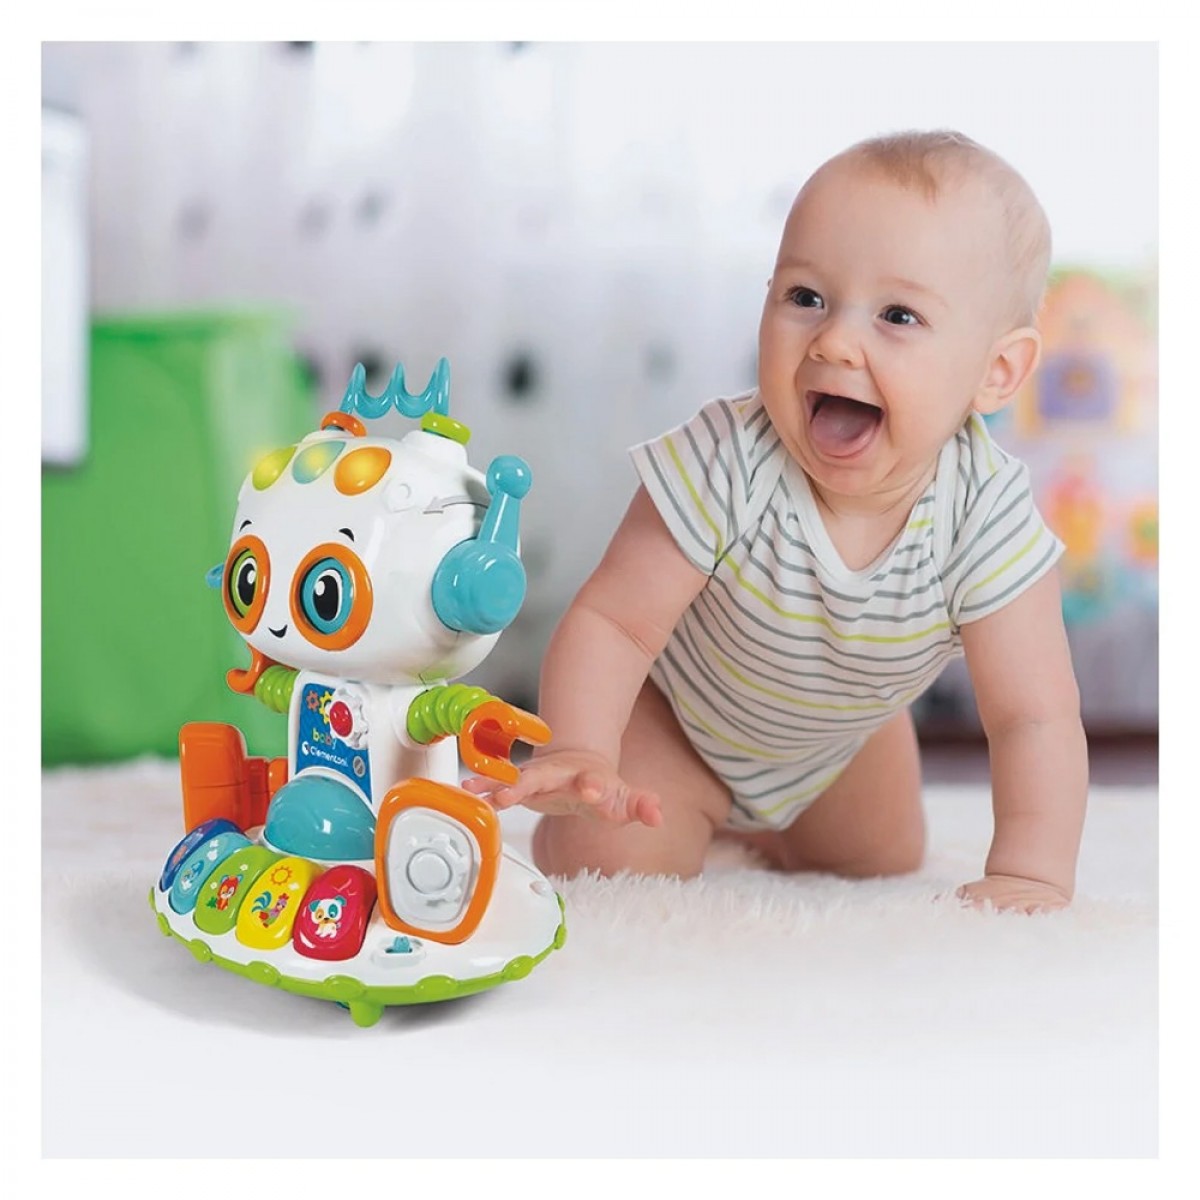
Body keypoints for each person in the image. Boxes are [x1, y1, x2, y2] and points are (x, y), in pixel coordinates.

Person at [465, 129, 1088, 914]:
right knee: (611, 861)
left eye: (897, 315)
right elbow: (615, 623)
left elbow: (1033, 716)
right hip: (680, 721)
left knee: (882, 859)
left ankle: (768, 828)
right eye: (805, 298)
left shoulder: (985, 516)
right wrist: (582, 747)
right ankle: (675, 808)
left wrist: (1032, 872)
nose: (835, 340)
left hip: (837, 748)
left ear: (996, 372)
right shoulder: (725, 458)